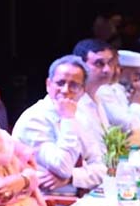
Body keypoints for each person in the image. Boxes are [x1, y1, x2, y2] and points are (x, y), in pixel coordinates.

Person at [13, 55, 106, 192]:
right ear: (48, 84)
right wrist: (67, 119)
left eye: (73, 85)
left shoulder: (81, 116)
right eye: (60, 83)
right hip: (44, 199)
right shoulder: (34, 118)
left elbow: (101, 168)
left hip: (80, 196)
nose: (65, 90)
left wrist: (73, 177)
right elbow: (62, 167)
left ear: (82, 91)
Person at [97, 49, 140, 146]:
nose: (137, 79)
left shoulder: (120, 89)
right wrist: (138, 103)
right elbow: (128, 126)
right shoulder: (102, 91)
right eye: (136, 74)